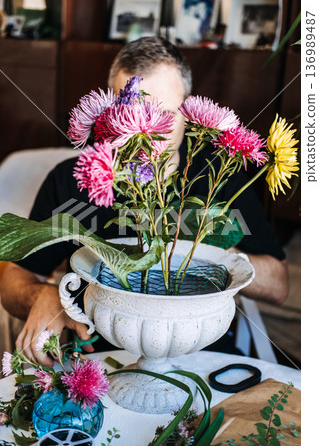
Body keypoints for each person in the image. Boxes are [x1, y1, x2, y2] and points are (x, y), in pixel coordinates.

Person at [0, 37, 288, 366]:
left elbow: (279, 284)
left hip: (204, 352)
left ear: (188, 109)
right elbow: (16, 277)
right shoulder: (72, 180)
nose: (147, 133)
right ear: (112, 114)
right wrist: (42, 294)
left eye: (164, 115)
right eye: (133, 116)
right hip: (99, 359)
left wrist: (210, 247)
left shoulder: (218, 175)